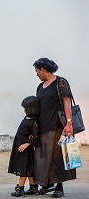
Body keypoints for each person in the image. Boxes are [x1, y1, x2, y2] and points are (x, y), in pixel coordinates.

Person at [33, 58, 76, 198]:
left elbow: (67, 102)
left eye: (37, 71)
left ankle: (59, 186)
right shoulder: (40, 86)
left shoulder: (60, 82)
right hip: (43, 126)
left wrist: (69, 123)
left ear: (43, 69)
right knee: (44, 157)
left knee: (58, 158)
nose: (36, 74)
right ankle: (47, 184)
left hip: (58, 126)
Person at [8, 96, 39, 197]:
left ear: (31, 109)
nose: (24, 110)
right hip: (21, 146)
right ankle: (34, 187)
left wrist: (27, 143)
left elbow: (37, 136)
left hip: (26, 149)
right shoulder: (27, 118)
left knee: (23, 169)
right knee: (28, 168)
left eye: (25, 108)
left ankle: (20, 188)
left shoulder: (34, 122)